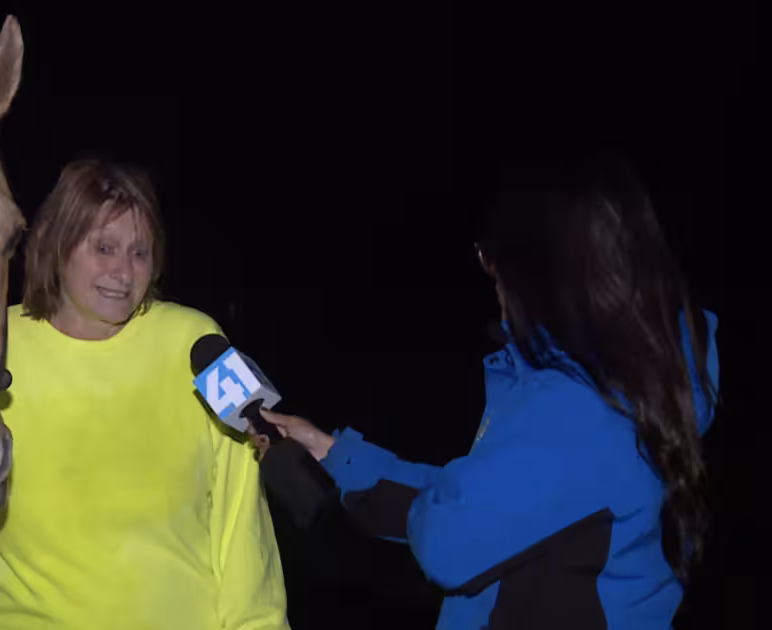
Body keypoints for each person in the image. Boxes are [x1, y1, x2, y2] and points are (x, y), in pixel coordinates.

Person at [249, 156, 719, 629]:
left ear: (542, 270)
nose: (491, 276)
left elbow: (447, 539)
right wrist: (334, 453)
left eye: (492, 258)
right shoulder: (630, 383)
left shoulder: (575, 407)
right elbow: (480, 497)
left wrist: (316, 495)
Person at [0, 158, 290, 629]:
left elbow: (244, 522)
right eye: (104, 247)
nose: (123, 272)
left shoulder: (200, 344)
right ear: (55, 244)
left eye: (139, 252)